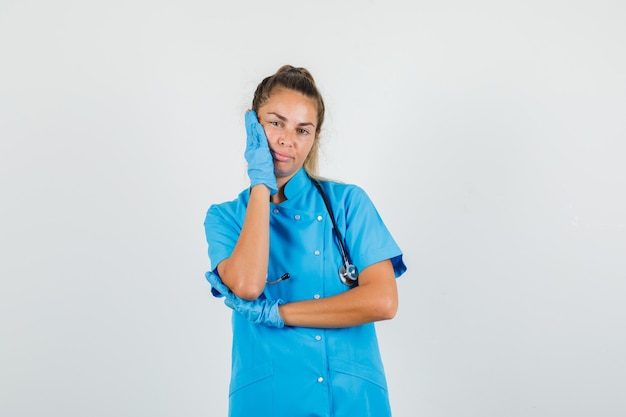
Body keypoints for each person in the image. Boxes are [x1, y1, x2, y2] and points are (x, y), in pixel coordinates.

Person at [203, 64, 407, 417]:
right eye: (275, 122)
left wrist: (279, 313)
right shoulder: (225, 218)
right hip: (268, 400)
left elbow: (383, 300)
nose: (287, 140)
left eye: (303, 130)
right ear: (252, 125)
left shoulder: (347, 204)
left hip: (351, 399)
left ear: (314, 138)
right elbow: (249, 287)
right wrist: (260, 184)